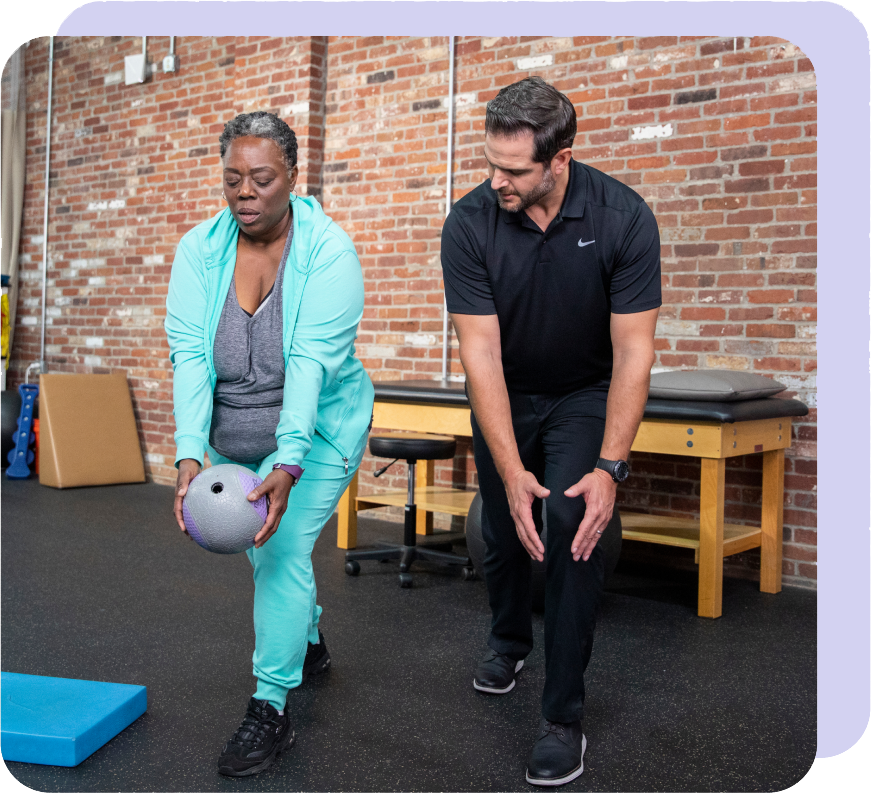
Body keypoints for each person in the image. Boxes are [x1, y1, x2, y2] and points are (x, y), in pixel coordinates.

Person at [440, 77, 661, 786]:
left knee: (569, 519)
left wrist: (610, 467)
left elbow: (633, 351)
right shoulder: (469, 222)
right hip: (506, 387)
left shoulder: (622, 216)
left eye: (513, 169)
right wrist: (507, 472)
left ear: (559, 160)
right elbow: (478, 355)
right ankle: (507, 640)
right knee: (504, 530)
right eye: (490, 163)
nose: (495, 180)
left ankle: (562, 714)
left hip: (582, 391)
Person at [164, 111, 373, 777]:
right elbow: (191, 357)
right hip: (233, 436)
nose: (244, 192)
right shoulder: (199, 250)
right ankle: (306, 637)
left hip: (318, 431)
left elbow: (309, 365)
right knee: (264, 555)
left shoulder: (329, 253)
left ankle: (270, 706)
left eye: (260, 178)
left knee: (278, 545)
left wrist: (286, 463)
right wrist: (190, 454)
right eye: (232, 180)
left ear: (291, 177)